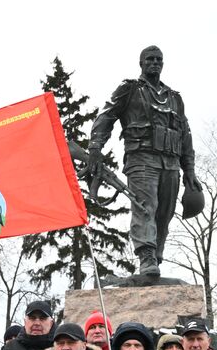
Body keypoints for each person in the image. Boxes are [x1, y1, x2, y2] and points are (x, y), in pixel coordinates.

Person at [85, 45, 200, 279]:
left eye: (158, 59)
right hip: (142, 159)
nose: (154, 63)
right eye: (149, 59)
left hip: (170, 163)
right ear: (141, 63)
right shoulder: (129, 90)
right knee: (145, 207)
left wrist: (190, 170)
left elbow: (185, 135)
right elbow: (106, 117)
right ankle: (146, 256)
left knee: (164, 213)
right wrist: (95, 148)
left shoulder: (175, 98)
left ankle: (155, 257)